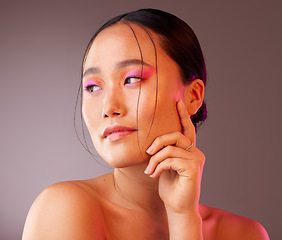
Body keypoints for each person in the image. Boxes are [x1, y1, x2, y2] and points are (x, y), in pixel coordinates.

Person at [22, 8, 269, 239]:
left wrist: (183, 217)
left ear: (192, 96)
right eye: (93, 87)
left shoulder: (245, 234)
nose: (109, 108)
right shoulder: (63, 208)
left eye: (132, 79)